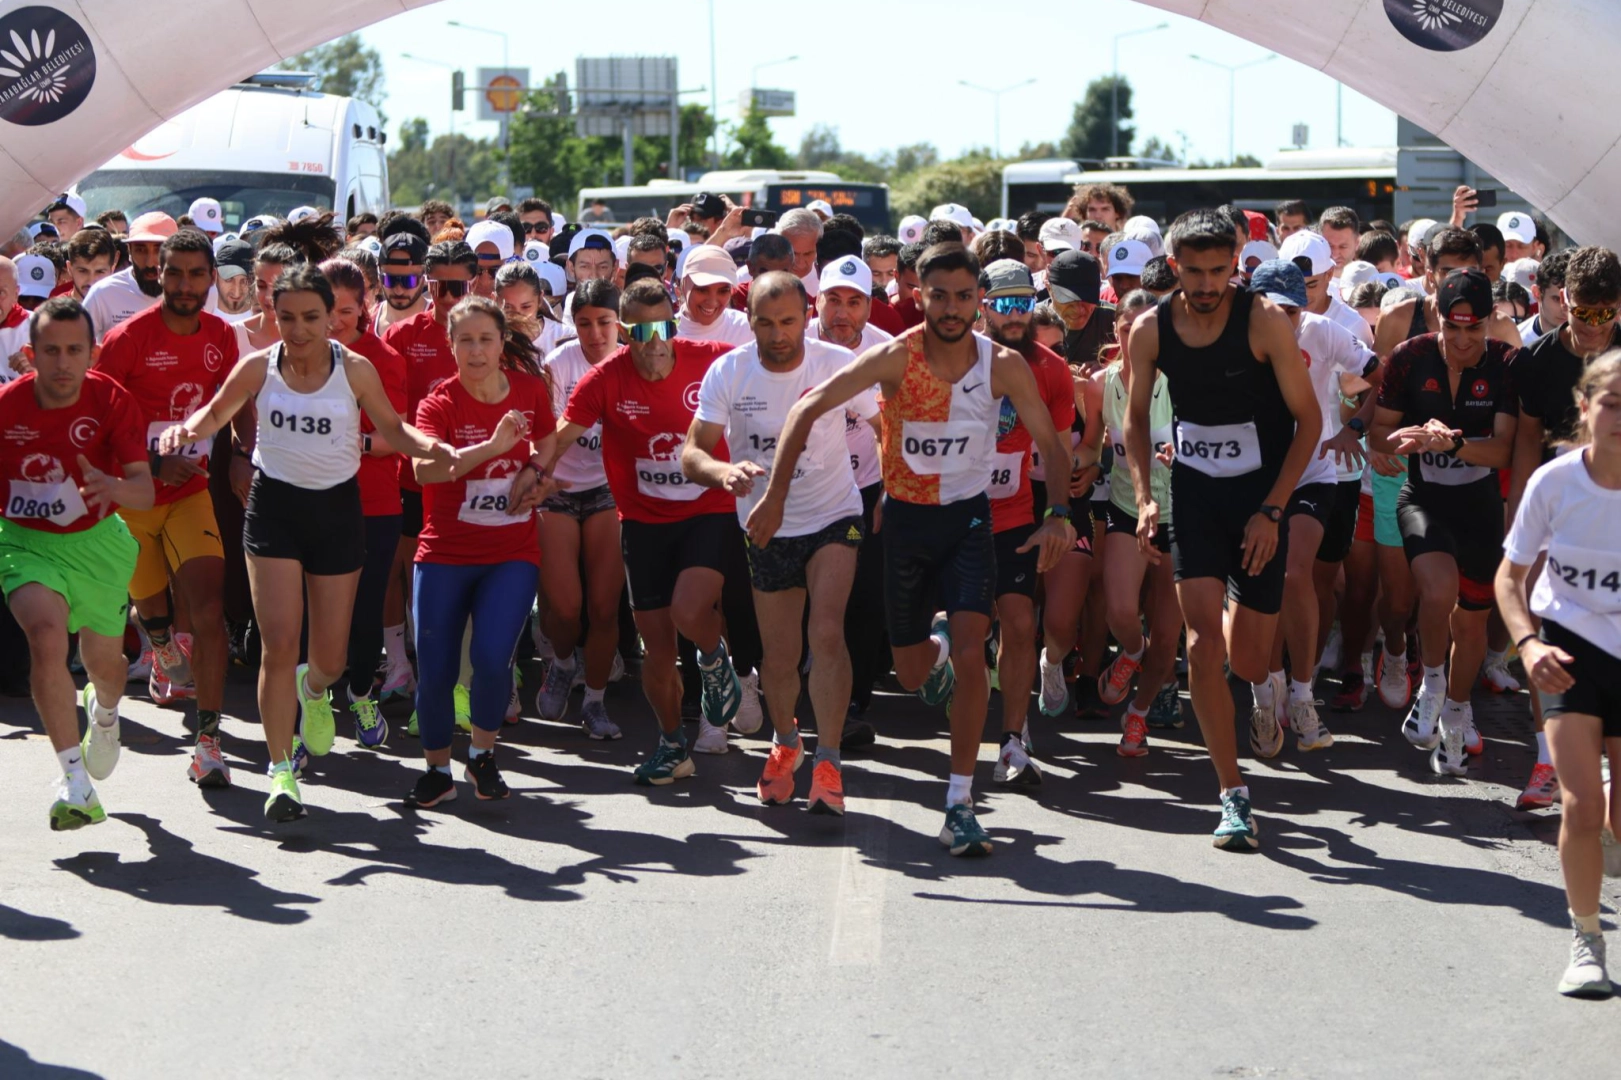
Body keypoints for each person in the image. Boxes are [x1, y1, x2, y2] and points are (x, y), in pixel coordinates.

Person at [752, 243, 1078, 855]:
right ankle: (938, 643)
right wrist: (773, 496)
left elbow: (1053, 447)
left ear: (979, 300)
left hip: (968, 524)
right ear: (918, 296)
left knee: (976, 644)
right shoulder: (892, 358)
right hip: (904, 525)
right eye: (939, 296)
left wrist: (1058, 512)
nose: (952, 308)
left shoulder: (1003, 364)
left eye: (963, 296)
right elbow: (806, 408)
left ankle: (959, 801)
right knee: (909, 673)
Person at [160, 265, 454, 821]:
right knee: (278, 644)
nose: (298, 329)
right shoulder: (258, 366)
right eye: (286, 316)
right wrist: (186, 429)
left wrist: (430, 447)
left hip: (338, 514)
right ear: (273, 314)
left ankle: (314, 690)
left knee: (329, 659)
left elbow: (393, 429)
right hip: (274, 510)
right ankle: (280, 772)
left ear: (331, 317)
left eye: (311, 317)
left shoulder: (356, 368)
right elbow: (215, 412)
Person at [1124, 208, 1323, 851]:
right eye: (1194, 271)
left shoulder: (1263, 322)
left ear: (1235, 267)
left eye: (1219, 270)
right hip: (1196, 498)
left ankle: (1261, 683)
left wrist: (1272, 511)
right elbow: (1132, 421)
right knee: (1202, 646)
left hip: (1260, 501)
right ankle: (1232, 794)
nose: (1207, 284)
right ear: (1174, 266)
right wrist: (1144, 498)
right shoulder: (1151, 329)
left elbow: (1309, 423)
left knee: (1248, 659)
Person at [682, 271, 868, 812]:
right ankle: (787, 744)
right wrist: (722, 473)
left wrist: (900, 494)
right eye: (765, 322)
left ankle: (829, 761)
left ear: (807, 316)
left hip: (836, 515)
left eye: (788, 321)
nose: (777, 333)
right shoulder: (730, 371)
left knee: (827, 632)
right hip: (765, 525)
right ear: (752, 321)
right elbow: (694, 452)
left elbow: (887, 425)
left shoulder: (835, 364)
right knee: (780, 657)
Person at [548, 279, 744, 782]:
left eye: (666, 328)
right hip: (642, 521)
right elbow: (558, 440)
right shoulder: (604, 379)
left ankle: (713, 655)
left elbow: (780, 371)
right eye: (643, 331)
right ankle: (673, 744)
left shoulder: (715, 359)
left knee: (688, 609)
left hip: (709, 508)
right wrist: (527, 473)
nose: (657, 342)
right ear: (625, 332)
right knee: (656, 647)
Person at [1495, 351, 1621, 997]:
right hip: (1567, 650)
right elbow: (1509, 577)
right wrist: (1525, 645)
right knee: (1580, 800)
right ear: (1584, 406)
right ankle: (1586, 941)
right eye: (1613, 402)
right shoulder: (1553, 482)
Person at [0, 298, 152, 828]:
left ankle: (105, 715)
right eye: (51, 351)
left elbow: (144, 490)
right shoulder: (7, 407)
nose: (63, 363)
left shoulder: (111, 399)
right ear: (31, 353)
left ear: (92, 352)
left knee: (105, 667)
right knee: (44, 636)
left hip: (96, 544)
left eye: (74, 351)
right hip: (24, 542)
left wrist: (111, 485)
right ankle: (75, 783)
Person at [95, 229, 238, 785]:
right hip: (134, 497)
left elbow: (235, 400)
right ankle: (157, 645)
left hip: (190, 495)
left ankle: (209, 742)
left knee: (207, 612)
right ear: (160, 274)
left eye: (194, 274)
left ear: (211, 279)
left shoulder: (222, 335)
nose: (183, 284)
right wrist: (153, 465)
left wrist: (242, 455)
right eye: (173, 272)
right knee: (151, 608)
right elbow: (97, 424)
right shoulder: (128, 338)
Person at [406, 296, 553, 806]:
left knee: (492, 658)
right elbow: (425, 471)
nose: (475, 350)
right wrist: (493, 447)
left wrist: (536, 474)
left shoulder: (531, 390)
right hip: (444, 553)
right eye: (464, 340)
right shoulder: (438, 403)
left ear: (501, 343)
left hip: (511, 552)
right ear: (450, 346)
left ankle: (483, 757)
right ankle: (437, 769)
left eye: (485, 339)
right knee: (437, 666)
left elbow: (550, 442)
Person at [1371, 269, 1517, 776]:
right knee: (1436, 593)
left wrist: (1452, 443)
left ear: (1489, 322)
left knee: (1471, 620)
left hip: (1479, 507)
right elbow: (1380, 435)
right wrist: (1406, 438)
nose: (1461, 341)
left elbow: (1503, 452)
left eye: (1473, 329)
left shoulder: (1505, 363)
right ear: (1435, 314)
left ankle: (1456, 714)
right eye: (1452, 329)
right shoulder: (1410, 357)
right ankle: (1432, 688)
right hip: (1424, 499)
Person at [1247, 260, 1378, 753]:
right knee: (1255, 584)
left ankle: (1301, 695)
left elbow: (1380, 373)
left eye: (1293, 310)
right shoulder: (1233, 334)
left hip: (1313, 468)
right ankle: (1267, 689)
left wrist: (1355, 427)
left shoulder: (1324, 332)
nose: (1284, 320)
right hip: (1251, 476)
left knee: (1294, 573)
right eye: (1273, 310)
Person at [1508, 245, 1620, 809]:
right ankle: (1547, 757)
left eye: (1607, 314)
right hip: (1558, 509)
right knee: (1545, 631)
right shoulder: (1537, 361)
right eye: (1584, 313)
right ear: (1563, 301)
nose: (1595, 327)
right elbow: (1526, 441)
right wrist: (1519, 523)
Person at [977, 258, 1086, 780]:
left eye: (1023, 303)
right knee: (960, 628)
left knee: (1021, 624)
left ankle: (1012, 741)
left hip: (1015, 513)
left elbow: (1060, 450)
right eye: (1004, 305)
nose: (1015, 315)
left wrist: (1058, 514)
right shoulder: (954, 358)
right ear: (984, 305)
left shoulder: (1049, 368)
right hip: (950, 513)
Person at [1084, 290, 1184, 751]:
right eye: (1127, 330)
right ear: (1117, 332)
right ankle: (1130, 651)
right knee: (1121, 611)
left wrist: (1177, 453)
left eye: (1148, 330)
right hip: (1128, 506)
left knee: (1168, 634)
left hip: (1182, 515)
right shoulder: (1100, 385)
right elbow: (1093, 442)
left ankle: (1138, 715)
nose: (1136, 339)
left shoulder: (1183, 382)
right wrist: (1078, 460)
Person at [319, 257, 407, 748]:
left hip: (374, 501)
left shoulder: (384, 360)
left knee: (366, 604)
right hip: (313, 501)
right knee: (318, 606)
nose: (335, 321)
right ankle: (316, 695)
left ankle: (358, 692)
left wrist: (349, 443)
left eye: (346, 311)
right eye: (327, 309)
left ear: (365, 306)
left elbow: (396, 436)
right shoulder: (298, 355)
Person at [533, 279, 626, 740]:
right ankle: (563, 662)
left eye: (604, 323)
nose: (595, 334)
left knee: (605, 608)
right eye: (585, 323)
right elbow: (545, 436)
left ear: (619, 323)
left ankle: (594, 701)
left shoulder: (631, 363)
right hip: (558, 488)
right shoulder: (557, 363)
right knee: (565, 608)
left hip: (609, 491)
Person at [82, 212, 177, 341]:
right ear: (129, 251)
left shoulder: (195, 294)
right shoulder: (103, 294)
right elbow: (77, 348)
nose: (150, 262)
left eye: (159, 249)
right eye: (140, 250)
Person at [676, 244, 752, 346]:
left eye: (723, 291)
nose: (712, 302)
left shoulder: (748, 329)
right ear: (683, 285)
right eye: (702, 290)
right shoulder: (661, 333)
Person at [65, 228, 118, 303]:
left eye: (100, 271)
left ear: (112, 269)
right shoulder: (53, 312)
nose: (91, 280)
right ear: (69, 269)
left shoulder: (127, 306)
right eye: (83, 271)